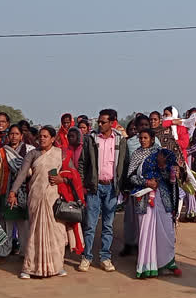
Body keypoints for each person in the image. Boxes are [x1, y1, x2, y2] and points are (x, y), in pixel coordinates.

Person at [7, 126, 69, 279]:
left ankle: (57, 265)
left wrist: (63, 179)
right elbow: (22, 174)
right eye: (40, 136)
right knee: (34, 231)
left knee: (56, 232)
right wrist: (13, 192)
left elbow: (72, 174)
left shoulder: (60, 154)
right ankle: (29, 268)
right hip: (36, 196)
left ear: (53, 139)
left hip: (53, 198)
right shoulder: (32, 154)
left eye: (45, 136)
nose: (41, 138)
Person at [77, 109, 129, 272]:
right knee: (91, 224)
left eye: (103, 122)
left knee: (108, 224)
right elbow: (82, 163)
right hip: (94, 186)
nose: (100, 124)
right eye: (99, 122)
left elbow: (124, 163)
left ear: (112, 122)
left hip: (112, 187)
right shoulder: (91, 139)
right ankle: (87, 257)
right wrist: (83, 184)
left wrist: (123, 187)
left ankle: (105, 257)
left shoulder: (120, 140)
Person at [128, 129, 182, 278]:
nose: (142, 140)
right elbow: (131, 177)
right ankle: (146, 267)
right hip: (144, 198)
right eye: (140, 138)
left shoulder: (162, 154)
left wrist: (168, 170)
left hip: (162, 197)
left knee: (167, 231)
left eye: (145, 138)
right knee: (146, 233)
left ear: (152, 139)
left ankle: (169, 263)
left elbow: (170, 175)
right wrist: (146, 182)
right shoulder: (136, 155)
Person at [120, 115, 160, 257]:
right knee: (131, 219)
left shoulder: (157, 145)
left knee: (150, 221)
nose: (143, 128)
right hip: (135, 188)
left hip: (153, 190)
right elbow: (126, 167)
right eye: (140, 125)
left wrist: (156, 181)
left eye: (146, 125)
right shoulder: (130, 143)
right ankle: (130, 244)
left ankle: (147, 249)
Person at [0, 124, 33, 259]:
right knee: (7, 223)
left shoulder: (29, 150)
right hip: (7, 191)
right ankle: (4, 251)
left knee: (23, 224)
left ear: (21, 136)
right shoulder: (2, 151)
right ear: (8, 136)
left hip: (24, 191)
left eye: (16, 134)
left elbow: (31, 171)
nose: (14, 136)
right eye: (11, 134)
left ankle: (25, 251)